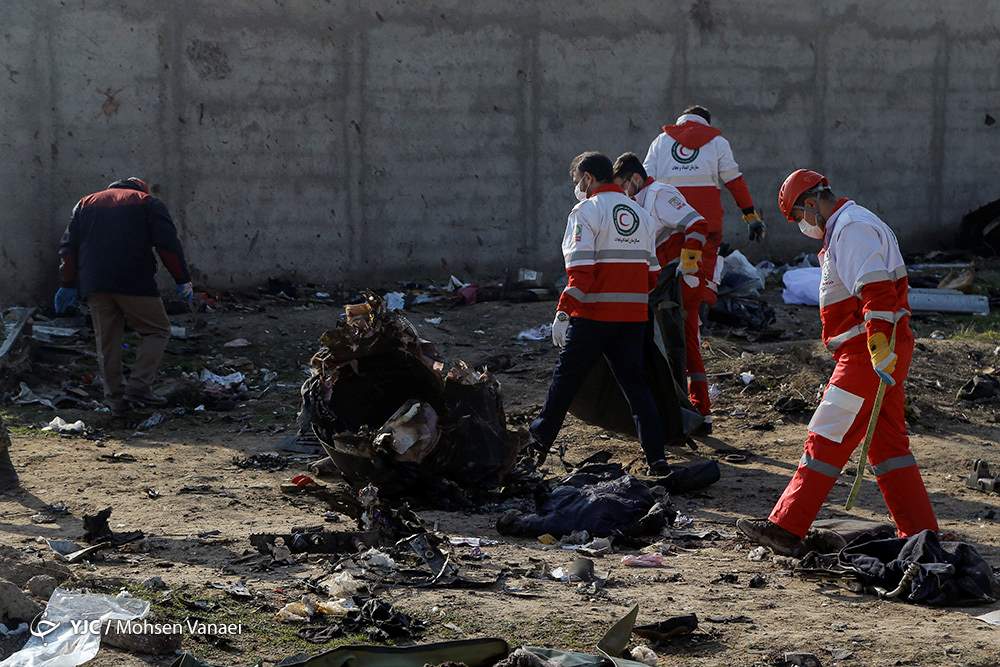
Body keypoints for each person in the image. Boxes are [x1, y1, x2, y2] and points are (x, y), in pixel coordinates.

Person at [737, 169, 938, 555]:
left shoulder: (851, 229)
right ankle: (921, 534)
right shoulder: (852, 226)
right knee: (888, 447)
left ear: (811, 203)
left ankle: (786, 526)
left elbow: (876, 292)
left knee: (827, 435)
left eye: (798, 216)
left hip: (867, 352)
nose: (801, 225)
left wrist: (878, 347)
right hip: (877, 350)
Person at [529, 152, 669, 474]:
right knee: (637, 387)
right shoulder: (641, 215)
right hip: (633, 319)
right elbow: (652, 274)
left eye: (578, 179)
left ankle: (534, 453)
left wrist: (564, 312)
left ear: (588, 178)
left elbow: (582, 272)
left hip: (592, 317)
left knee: (564, 385)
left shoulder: (585, 212)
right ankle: (657, 460)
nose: (577, 186)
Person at [642, 105, 765, 432]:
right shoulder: (717, 143)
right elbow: (735, 182)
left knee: (666, 318)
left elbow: (643, 184)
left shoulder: (660, 142)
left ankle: (671, 405)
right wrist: (750, 215)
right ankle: (699, 408)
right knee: (689, 319)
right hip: (704, 234)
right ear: (706, 123)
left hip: (668, 234)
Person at [55, 178, 193, 415]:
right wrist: (182, 280)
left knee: (107, 341)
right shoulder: (147, 202)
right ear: (140, 188)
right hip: (134, 280)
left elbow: (68, 249)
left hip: (94, 284)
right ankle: (139, 387)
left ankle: (116, 402)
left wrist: (67, 283)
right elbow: (168, 245)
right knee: (157, 330)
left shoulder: (84, 203)